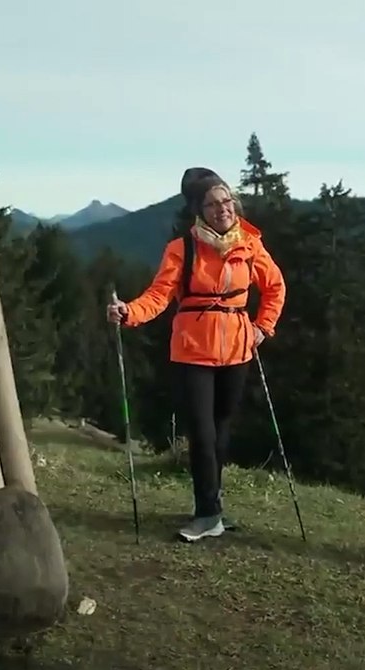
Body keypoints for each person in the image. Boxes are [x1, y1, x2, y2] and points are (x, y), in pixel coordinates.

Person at [106, 167, 286, 543]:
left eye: (227, 201)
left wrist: (261, 327)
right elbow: (159, 296)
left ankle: (213, 506)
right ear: (198, 211)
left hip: (237, 350)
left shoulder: (250, 245)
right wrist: (129, 313)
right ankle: (207, 514)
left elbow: (275, 287)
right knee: (203, 434)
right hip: (192, 352)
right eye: (213, 203)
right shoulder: (182, 249)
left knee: (220, 432)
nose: (223, 208)